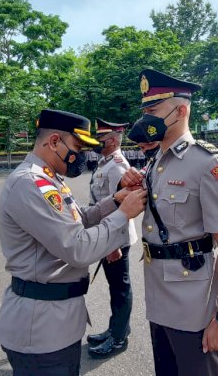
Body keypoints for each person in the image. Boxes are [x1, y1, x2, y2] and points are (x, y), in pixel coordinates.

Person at [0, 108, 146, 376]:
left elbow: (81, 219)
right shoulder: (30, 183)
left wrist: (116, 200)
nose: (83, 155)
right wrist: (123, 214)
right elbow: (77, 247)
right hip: (41, 329)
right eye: (77, 146)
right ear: (54, 142)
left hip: (56, 322)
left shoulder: (49, 179)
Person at [128, 69, 218, 375]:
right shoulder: (157, 163)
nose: (146, 119)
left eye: (153, 111)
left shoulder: (209, 162)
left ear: (181, 111)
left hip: (195, 307)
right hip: (160, 299)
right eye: (145, 112)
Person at [86, 118, 137, 359]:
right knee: (114, 287)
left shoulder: (117, 165)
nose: (97, 142)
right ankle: (115, 328)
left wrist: (113, 243)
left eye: (101, 139)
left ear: (114, 140)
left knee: (120, 289)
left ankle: (119, 339)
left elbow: (123, 205)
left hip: (115, 238)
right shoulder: (105, 162)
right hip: (107, 232)